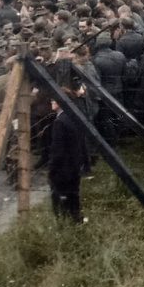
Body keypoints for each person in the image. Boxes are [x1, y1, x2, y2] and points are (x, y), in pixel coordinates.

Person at [48, 88, 89, 222]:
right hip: (74, 165)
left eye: (55, 98)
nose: (52, 101)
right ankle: (75, 219)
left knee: (60, 198)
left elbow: (57, 151)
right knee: (73, 196)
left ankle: (62, 222)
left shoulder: (59, 123)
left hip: (63, 169)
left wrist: (51, 170)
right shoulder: (73, 116)